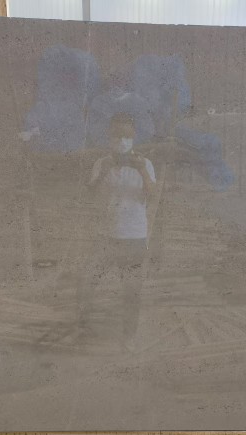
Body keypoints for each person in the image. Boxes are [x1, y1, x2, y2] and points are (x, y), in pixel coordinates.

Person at [77, 113, 156, 346]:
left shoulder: (145, 163)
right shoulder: (101, 163)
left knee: (131, 290)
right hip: (106, 235)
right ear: (109, 136)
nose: (122, 140)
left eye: (126, 135)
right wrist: (103, 172)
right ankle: (84, 330)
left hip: (134, 237)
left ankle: (128, 337)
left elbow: (152, 196)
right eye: (117, 135)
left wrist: (142, 171)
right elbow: (89, 194)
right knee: (87, 281)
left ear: (134, 137)